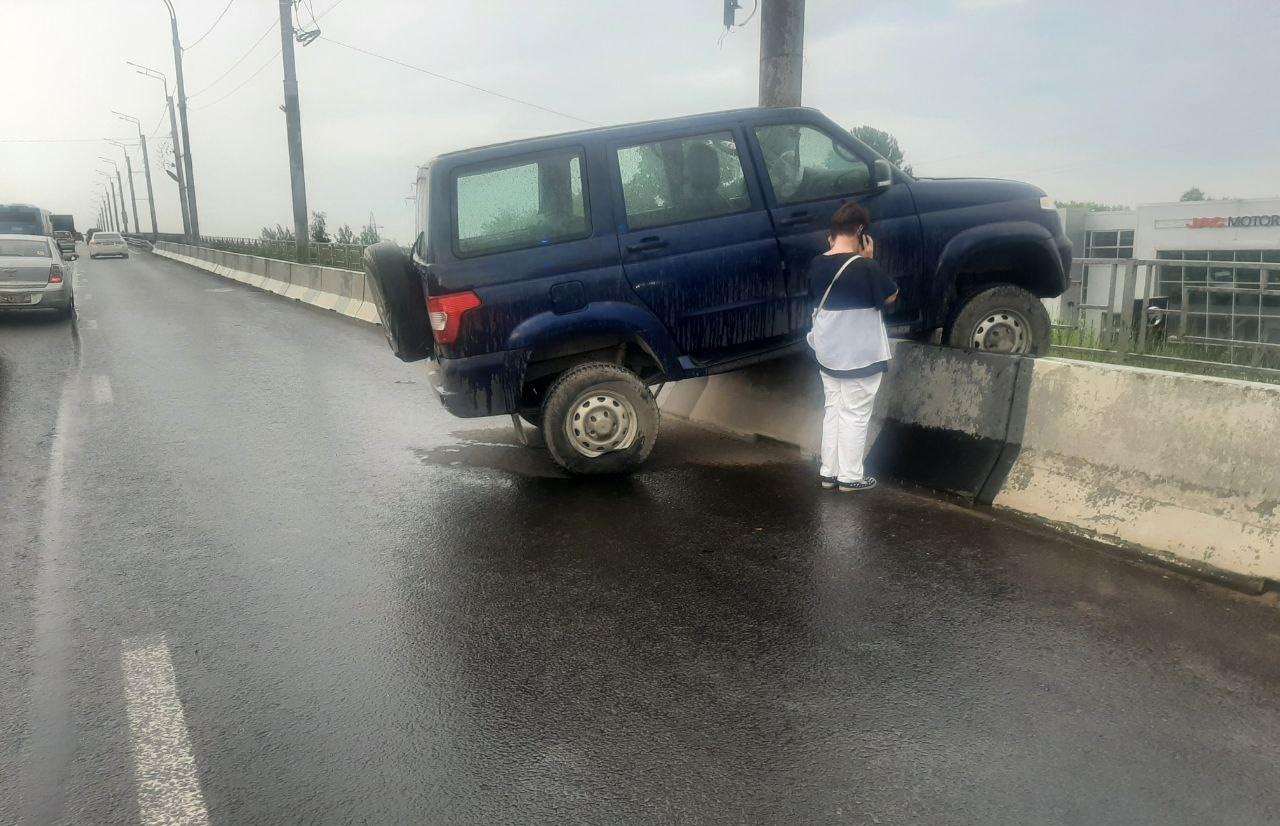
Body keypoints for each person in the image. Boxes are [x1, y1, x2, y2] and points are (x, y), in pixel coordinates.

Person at [806, 202, 898, 492]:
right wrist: (868, 258)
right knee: (855, 413)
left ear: (832, 233)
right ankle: (850, 477)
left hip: (828, 353)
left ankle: (828, 472)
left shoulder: (816, 263)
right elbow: (890, 297)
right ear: (861, 231)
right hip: (860, 355)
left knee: (833, 408)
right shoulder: (867, 266)